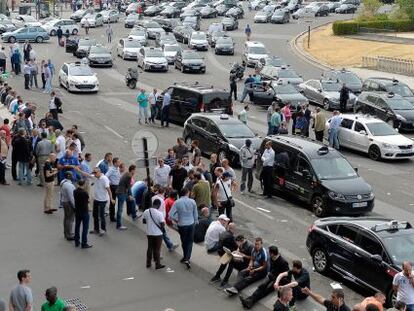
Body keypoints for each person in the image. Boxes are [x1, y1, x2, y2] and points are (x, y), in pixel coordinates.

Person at [168, 188, 198, 269]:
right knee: (190, 241)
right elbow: (195, 215)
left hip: (181, 224)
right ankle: (187, 258)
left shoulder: (177, 202)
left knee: (184, 241)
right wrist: (195, 222)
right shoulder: (192, 202)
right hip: (191, 224)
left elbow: (170, 214)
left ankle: (185, 257)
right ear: (187, 193)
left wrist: (177, 219)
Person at [143, 199, 166, 269]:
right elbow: (162, 224)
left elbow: (144, 221)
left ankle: (148, 263)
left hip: (149, 232)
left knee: (150, 247)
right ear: (158, 205)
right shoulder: (159, 213)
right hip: (158, 234)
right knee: (157, 249)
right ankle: (157, 264)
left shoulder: (146, 211)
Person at [91, 167, 114, 235]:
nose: (94, 174)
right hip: (96, 199)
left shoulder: (104, 179)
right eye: (93, 173)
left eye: (95, 173)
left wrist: (111, 198)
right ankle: (96, 229)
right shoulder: (95, 177)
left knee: (101, 215)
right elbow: (86, 174)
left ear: (99, 172)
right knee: (95, 215)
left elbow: (108, 190)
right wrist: (78, 170)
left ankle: (103, 229)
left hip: (102, 200)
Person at [115, 165, 136, 230]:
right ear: (132, 170)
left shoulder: (126, 173)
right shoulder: (129, 176)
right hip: (122, 193)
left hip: (120, 192)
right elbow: (128, 187)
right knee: (120, 209)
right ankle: (119, 225)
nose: (135, 171)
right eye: (135, 170)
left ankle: (134, 215)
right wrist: (130, 195)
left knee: (132, 201)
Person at [73, 179, 92, 248]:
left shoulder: (75, 191)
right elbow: (88, 201)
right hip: (84, 211)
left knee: (77, 226)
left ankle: (76, 241)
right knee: (85, 228)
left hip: (77, 211)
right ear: (84, 184)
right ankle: (84, 243)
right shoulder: (85, 193)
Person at [60, 172, 76, 240]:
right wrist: (75, 206)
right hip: (68, 203)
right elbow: (71, 197)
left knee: (66, 218)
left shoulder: (63, 181)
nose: (73, 176)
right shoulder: (69, 185)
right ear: (69, 176)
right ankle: (69, 234)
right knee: (70, 219)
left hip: (64, 201)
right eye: (72, 175)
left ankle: (66, 233)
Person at [105, 157, 121, 222]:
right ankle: (112, 217)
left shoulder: (117, 168)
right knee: (113, 202)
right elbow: (106, 176)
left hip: (118, 186)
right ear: (115, 163)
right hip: (113, 187)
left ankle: (115, 215)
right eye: (118, 162)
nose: (119, 163)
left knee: (116, 202)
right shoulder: (111, 169)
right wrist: (110, 182)